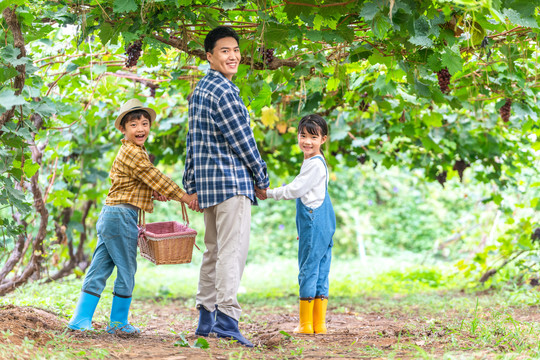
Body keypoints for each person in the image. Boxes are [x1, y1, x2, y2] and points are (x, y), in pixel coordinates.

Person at [68, 98, 198, 335]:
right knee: (127, 268)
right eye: (134, 125)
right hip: (120, 217)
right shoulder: (133, 152)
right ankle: (118, 323)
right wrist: (186, 197)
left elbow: (140, 182)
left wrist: (153, 192)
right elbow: (153, 175)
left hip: (112, 214)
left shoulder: (134, 151)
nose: (141, 129)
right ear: (123, 129)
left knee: (100, 267)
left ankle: (80, 319)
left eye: (145, 123)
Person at [183, 26, 269, 347]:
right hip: (232, 184)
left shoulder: (199, 91)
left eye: (235, 50)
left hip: (207, 187)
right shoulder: (225, 92)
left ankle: (206, 318)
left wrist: (190, 183)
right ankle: (228, 320)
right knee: (231, 252)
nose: (233, 56)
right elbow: (243, 141)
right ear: (210, 56)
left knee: (213, 251)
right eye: (224, 51)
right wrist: (261, 178)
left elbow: (192, 143)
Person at [256, 114, 336, 335]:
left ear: (323, 139)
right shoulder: (318, 162)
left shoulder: (314, 165)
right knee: (320, 271)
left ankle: (305, 324)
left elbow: (296, 189)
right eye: (303, 136)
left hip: (314, 223)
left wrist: (268, 193)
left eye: (313, 136)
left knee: (308, 270)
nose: (307, 141)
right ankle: (318, 325)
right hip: (325, 223)